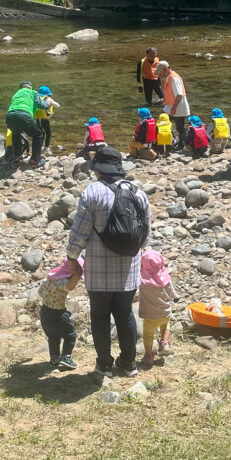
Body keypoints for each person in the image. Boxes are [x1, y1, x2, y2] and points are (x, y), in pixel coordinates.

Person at [66, 147, 151, 378]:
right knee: (124, 314)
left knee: (100, 316)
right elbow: (145, 235)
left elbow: (79, 232)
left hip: (98, 269)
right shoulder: (139, 193)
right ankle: (129, 363)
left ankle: (104, 365)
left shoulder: (92, 193)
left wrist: (72, 258)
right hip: (128, 269)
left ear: (98, 170)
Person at [38, 256, 83, 371]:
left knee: (53, 337)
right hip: (57, 315)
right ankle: (66, 357)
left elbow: (40, 292)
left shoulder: (48, 281)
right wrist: (76, 275)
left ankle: (54, 359)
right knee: (70, 335)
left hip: (44, 313)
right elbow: (69, 286)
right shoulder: (62, 282)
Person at [139, 250, 175, 367]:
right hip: (164, 312)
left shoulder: (143, 280)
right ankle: (164, 342)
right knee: (166, 325)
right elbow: (171, 293)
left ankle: (149, 356)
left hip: (149, 316)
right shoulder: (165, 277)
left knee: (148, 334)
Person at [6, 81, 49, 169]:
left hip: (9, 116)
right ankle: (35, 160)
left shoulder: (16, 94)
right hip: (23, 115)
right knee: (38, 134)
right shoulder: (33, 92)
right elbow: (39, 103)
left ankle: (16, 157)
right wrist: (47, 105)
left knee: (16, 134)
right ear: (30, 87)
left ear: (20, 88)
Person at [156, 61, 190, 150]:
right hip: (169, 106)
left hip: (179, 107)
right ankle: (169, 141)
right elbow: (169, 91)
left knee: (180, 127)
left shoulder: (174, 79)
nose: (159, 74)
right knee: (162, 123)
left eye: (160, 72)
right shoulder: (166, 77)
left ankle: (181, 145)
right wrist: (164, 100)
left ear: (166, 69)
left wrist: (174, 108)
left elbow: (179, 95)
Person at [34, 85, 60, 154]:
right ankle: (46, 148)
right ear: (47, 94)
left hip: (36, 119)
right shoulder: (48, 99)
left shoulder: (36, 99)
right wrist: (51, 102)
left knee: (40, 133)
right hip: (44, 118)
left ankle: (39, 147)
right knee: (48, 133)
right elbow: (57, 105)